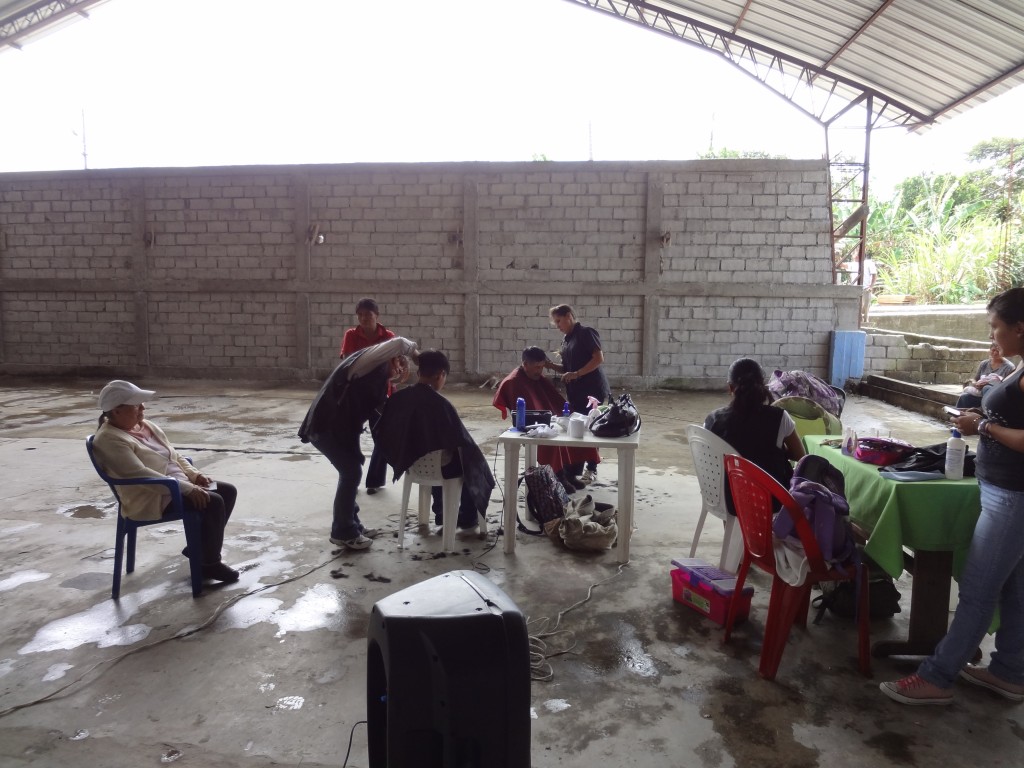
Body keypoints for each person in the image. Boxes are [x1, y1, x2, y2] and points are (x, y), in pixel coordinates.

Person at [881, 287, 1024, 706]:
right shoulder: (1016, 366)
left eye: (996, 327)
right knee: (1014, 591)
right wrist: (983, 416)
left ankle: (938, 677)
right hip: (1003, 489)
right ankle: (1011, 672)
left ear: (1020, 327)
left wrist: (983, 428)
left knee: (978, 592)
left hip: (1013, 497)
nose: (992, 336)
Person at [91, 380, 240, 584]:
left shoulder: (145, 426)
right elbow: (138, 474)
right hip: (153, 495)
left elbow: (175, 456)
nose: (143, 408)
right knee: (213, 501)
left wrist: (195, 475)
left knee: (227, 491)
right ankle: (209, 564)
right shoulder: (109, 440)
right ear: (116, 411)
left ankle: (201, 547)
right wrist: (188, 488)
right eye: (136, 405)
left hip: (176, 486)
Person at [298, 336, 416, 551]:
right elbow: (400, 343)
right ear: (390, 358)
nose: (400, 368)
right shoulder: (366, 362)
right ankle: (343, 531)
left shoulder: (379, 380)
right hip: (326, 426)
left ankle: (352, 525)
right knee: (351, 472)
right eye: (398, 362)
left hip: (344, 429)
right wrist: (420, 358)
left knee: (353, 470)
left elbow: (382, 416)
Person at [374, 350, 495, 533]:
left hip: (411, 462)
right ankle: (468, 518)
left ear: (418, 373)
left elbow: (383, 431)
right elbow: (462, 441)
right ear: (441, 375)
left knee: (436, 451)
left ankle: (441, 513)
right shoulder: (441, 404)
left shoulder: (398, 398)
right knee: (471, 464)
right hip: (434, 465)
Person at [704, 357, 805, 506]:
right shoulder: (779, 418)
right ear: (763, 385)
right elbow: (800, 455)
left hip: (727, 500)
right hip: (770, 500)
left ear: (730, 387)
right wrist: (780, 449)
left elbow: (710, 459)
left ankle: (730, 527)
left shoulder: (713, 419)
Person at [493, 346, 582, 494]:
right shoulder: (514, 382)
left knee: (572, 429)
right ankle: (558, 476)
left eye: (542, 367)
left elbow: (553, 400)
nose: (539, 371)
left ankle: (568, 473)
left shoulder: (535, 377)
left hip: (545, 419)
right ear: (525, 364)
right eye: (536, 367)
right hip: (528, 427)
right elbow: (525, 414)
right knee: (551, 440)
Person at [544, 304, 608, 485]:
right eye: (555, 322)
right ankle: (575, 467)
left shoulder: (586, 333)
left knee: (591, 429)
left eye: (558, 321)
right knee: (578, 429)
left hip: (592, 391)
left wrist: (577, 374)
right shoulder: (567, 340)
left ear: (569, 316)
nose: (557, 325)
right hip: (576, 392)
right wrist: (549, 366)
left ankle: (592, 468)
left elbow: (598, 358)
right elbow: (567, 369)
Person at [340, 297, 396, 495]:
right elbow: (348, 364)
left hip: (380, 393)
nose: (364, 318)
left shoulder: (388, 336)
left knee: (381, 436)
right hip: (356, 394)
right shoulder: (351, 335)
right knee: (350, 436)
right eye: (361, 315)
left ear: (377, 316)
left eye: (368, 315)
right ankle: (350, 477)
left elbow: (393, 368)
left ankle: (374, 480)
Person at [956, 342, 1015, 409]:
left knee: (986, 388)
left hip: (995, 397)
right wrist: (976, 384)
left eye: (998, 351)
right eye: (993, 350)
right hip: (980, 394)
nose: (995, 353)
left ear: (1002, 351)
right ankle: (958, 416)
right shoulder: (984, 363)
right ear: (989, 351)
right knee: (964, 397)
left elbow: (1008, 386)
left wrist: (989, 384)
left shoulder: (1009, 367)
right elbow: (976, 379)